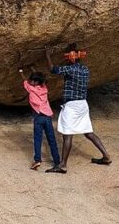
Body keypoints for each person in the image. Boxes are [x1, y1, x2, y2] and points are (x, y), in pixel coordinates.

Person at [45, 44, 111, 173]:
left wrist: (47, 55)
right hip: (82, 104)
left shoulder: (70, 69)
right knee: (88, 132)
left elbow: (52, 69)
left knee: (67, 135)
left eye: (67, 56)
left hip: (72, 106)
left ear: (71, 58)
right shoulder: (85, 69)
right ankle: (106, 156)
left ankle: (62, 165)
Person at [18, 68, 60, 171]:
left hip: (38, 117)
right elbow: (42, 79)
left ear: (36, 82)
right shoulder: (44, 89)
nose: (30, 81)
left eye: (32, 80)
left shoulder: (31, 89)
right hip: (48, 118)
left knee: (37, 139)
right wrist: (34, 68)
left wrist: (21, 72)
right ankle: (57, 162)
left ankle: (37, 160)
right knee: (52, 140)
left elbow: (25, 81)